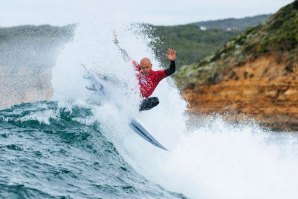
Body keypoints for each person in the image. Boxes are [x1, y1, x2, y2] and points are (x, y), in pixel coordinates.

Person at [113, 31, 176, 111]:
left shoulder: (157, 75)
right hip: (130, 96)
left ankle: (135, 109)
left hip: (140, 102)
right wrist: (117, 43)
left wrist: (172, 61)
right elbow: (125, 56)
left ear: (151, 66)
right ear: (140, 66)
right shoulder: (138, 68)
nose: (144, 69)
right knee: (120, 81)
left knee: (155, 100)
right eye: (143, 67)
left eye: (147, 67)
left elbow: (171, 71)